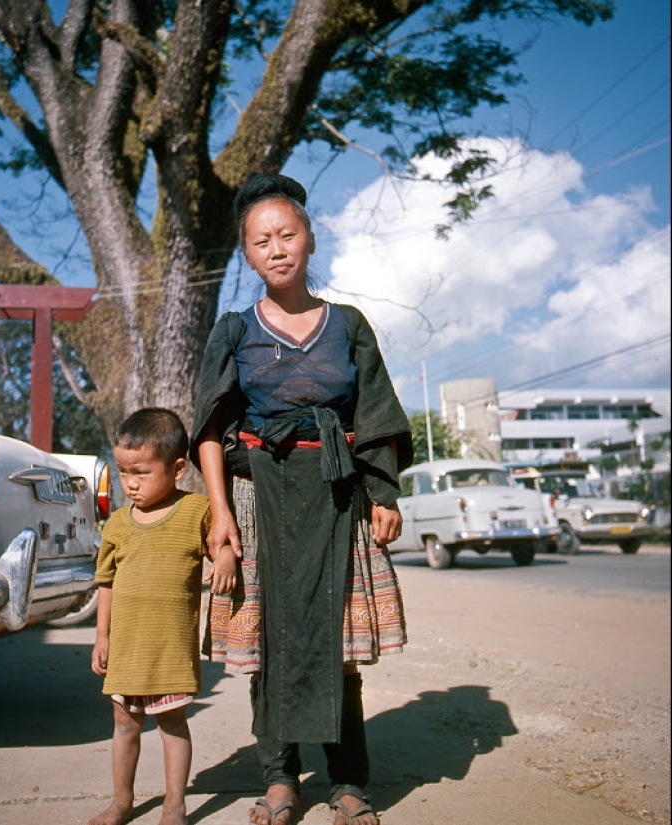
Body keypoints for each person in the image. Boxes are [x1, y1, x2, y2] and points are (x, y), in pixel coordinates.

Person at [190, 174, 414, 825]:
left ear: (309, 238)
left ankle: (349, 783)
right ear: (246, 252)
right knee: (270, 647)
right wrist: (221, 514)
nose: (277, 247)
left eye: (287, 233)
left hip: (337, 496)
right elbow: (208, 426)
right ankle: (280, 779)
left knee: (338, 650)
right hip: (260, 499)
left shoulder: (347, 324)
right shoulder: (234, 330)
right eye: (261, 240)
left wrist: (382, 492)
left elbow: (374, 413)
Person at [90, 407, 238, 825]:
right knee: (124, 725)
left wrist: (224, 557)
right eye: (123, 472)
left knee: (173, 724)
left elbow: (222, 541)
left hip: (169, 648)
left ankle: (175, 803)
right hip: (127, 647)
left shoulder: (197, 511)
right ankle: (122, 801)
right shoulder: (117, 524)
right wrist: (102, 638)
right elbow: (107, 584)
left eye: (141, 472)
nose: (130, 484)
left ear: (176, 469)